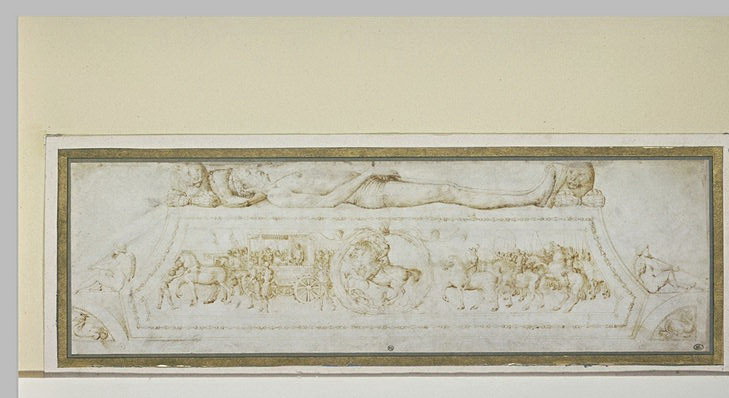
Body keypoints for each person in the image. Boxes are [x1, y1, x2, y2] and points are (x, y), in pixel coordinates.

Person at [169, 163, 572, 209]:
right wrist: (367, 176)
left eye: (245, 170)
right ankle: (533, 198)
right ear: (245, 190)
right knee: (448, 190)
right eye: (242, 178)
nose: (250, 171)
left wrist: (366, 168)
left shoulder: (280, 174)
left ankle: (529, 195)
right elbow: (328, 201)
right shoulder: (278, 195)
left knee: (450, 184)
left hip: (374, 178)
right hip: (373, 193)